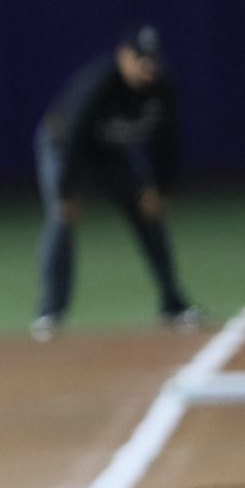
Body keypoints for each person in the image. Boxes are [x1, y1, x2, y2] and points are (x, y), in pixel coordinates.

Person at [32, 23, 201, 341]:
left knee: (149, 214)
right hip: (62, 147)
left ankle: (173, 303)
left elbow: (168, 141)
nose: (147, 66)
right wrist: (67, 191)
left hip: (110, 154)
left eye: (152, 59)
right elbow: (74, 136)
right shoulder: (100, 83)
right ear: (123, 56)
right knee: (61, 218)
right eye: (140, 58)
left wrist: (160, 188)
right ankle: (50, 311)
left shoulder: (161, 87)